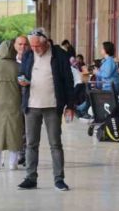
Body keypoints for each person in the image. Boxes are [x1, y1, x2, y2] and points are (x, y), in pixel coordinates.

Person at [17, 28, 76, 192]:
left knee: (55, 144)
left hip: (52, 106)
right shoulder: (29, 54)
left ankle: (59, 179)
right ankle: (30, 178)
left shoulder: (59, 55)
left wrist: (70, 106)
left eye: (37, 46)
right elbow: (22, 73)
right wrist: (22, 80)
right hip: (31, 105)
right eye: (32, 46)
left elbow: (68, 81)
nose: (35, 49)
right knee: (30, 143)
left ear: (46, 41)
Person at [0, 40, 24, 171]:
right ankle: (13, 163)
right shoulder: (19, 67)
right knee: (14, 132)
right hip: (15, 103)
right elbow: (23, 88)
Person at [14, 35, 30, 165]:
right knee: (17, 128)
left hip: (29, 99)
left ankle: (25, 155)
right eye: (20, 44)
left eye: (25, 44)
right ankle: (18, 153)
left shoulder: (32, 61)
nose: (22, 47)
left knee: (28, 129)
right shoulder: (10, 62)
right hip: (13, 100)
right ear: (15, 45)